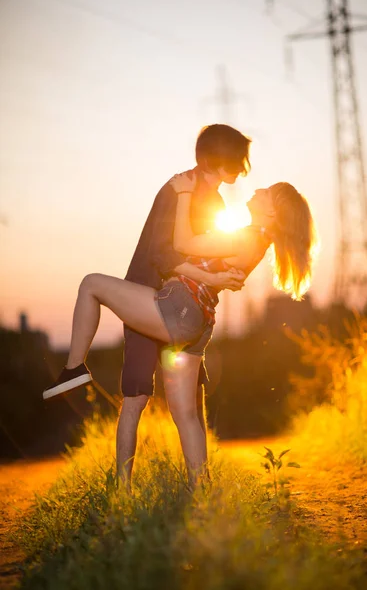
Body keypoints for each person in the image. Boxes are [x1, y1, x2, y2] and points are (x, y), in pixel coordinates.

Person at [43, 168, 318, 489]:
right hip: (198, 324)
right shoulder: (255, 240)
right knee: (186, 415)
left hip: (178, 308)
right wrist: (212, 278)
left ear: (272, 211)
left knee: (91, 284)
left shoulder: (247, 237)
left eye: (266, 192)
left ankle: (74, 367)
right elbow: (192, 260)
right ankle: (201, 492)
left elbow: (183, 243)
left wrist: (185, 193)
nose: (257, 191)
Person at [43, 124, 251, 490]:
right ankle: (124, 489)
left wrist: (222, 274)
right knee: (137, 398)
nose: (243, 166)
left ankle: (198, 489)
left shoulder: (215, 203)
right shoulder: (177, 189)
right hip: (148, 299)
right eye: (237, 158)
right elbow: (163, 253)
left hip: (179, 306)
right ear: (217, 158)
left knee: (188, 405)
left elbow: (198, 257)